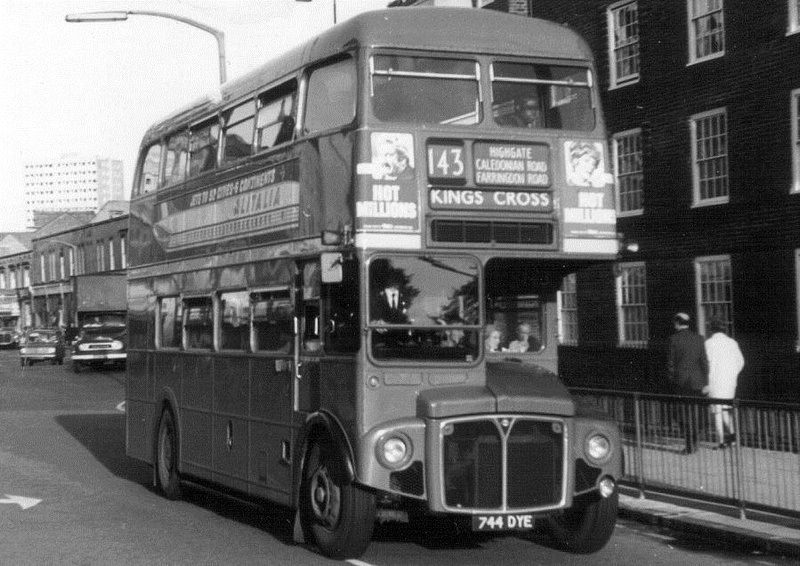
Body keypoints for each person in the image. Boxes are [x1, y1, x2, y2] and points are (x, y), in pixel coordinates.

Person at [667, 312, 709, 454]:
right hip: (698, 382)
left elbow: (670, 364)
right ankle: (695, 438)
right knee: (695, 413)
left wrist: (672, 380)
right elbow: (704, 362)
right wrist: (706, 382)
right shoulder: (699, 339)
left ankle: (690, 443)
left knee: (680, 414)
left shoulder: (674, 339)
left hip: (681, 383)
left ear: (677, 323)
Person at [702, 317, 744, 449]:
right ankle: (732, 437)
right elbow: (740, 362)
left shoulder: (708, 343)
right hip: (729, 382)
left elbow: (705, 363)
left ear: (711, 329)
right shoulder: (732, 343)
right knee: (726, 409)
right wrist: (733, 374)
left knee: (717, 411)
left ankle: (721, 441)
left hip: (714, 381)